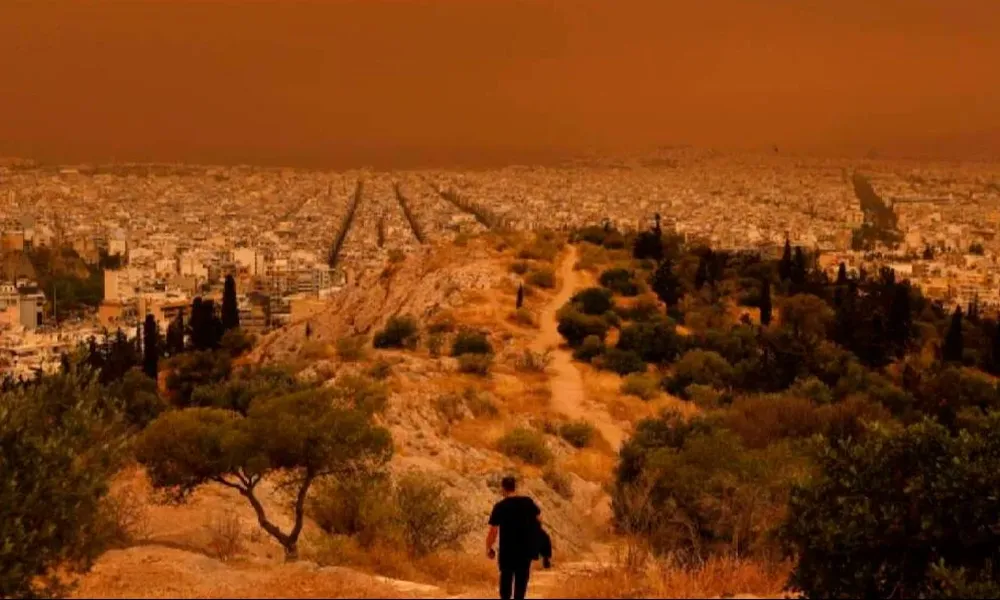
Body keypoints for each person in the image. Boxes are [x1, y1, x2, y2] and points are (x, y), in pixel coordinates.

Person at [486, 476, 547, 600]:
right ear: (515, 487)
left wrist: (489, 548)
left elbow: (493, 531)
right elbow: (539, 518)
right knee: (521, 581)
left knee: (506, 580)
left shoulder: (500, 506)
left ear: (503, 488)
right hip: (525, 550)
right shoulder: (527, 502)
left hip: (507, 550)